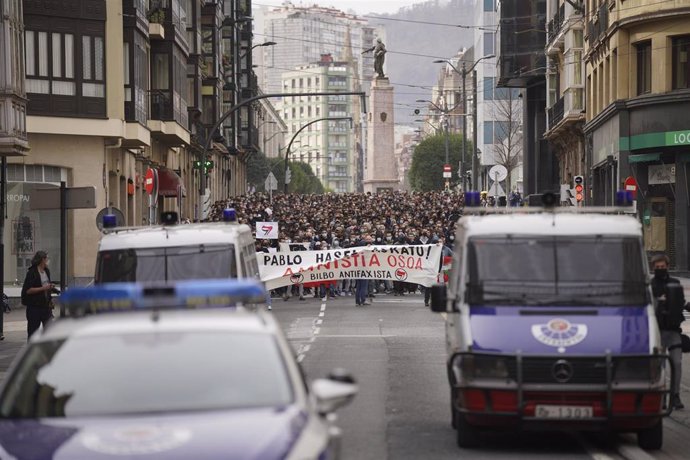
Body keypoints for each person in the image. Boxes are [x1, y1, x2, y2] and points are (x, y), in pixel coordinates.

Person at [650, 254, 688, 410]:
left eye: (662, 266)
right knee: (659, 366)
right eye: (657, 267)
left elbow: (681, 301)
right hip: (657, 331)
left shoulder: (675, 283)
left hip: (673, 331)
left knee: (677, 363)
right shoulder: (650, 285)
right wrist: (659, 301)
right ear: (653, 268)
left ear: (667, 265)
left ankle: (675, 395)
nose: (660, 269)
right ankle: (661, 396)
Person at [21, 251, 56, 339]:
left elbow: (47, 287)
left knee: (49, 332)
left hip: (46, 307)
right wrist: (44, 288)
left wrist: (50, 296)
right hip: (34, 308)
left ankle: (49, 351)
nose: (48, 260)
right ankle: (31, 351)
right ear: (42, 260)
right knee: (33, 333)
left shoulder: (46, 271)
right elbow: (28, 290)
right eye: (46, 258)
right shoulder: (32, 272)